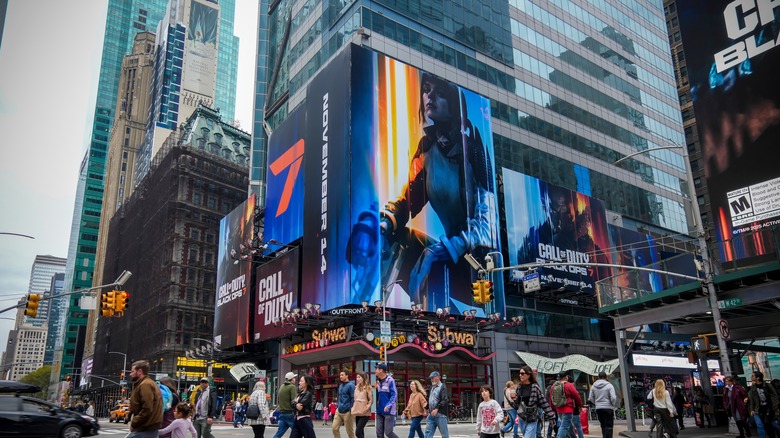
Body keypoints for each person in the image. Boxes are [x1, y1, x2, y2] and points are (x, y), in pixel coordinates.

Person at [377, 72, 495, 310]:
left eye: (439, 93)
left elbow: (487, 227)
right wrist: (386, 221)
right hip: (446, 253)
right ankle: (380, 312)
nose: (429, 96)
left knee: (431, 257)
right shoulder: (427, 148)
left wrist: (443, 249)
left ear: (454, 106)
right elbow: (410, 199)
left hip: (479, 265)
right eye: (427, 89)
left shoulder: (473, 151)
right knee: (397, 238)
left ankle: (441, 319)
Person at [514, 366, 555, 438]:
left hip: (532, 417)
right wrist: (514, 400)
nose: (520, 375)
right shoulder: (519, 387)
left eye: (522, 373)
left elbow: (543, 402)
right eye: (520, 373)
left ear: (529, 375)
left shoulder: (534, 387)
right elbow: (517, 404)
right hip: (522, 417)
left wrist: (551, 417)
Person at [127, 359, 163, 438]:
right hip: (146, 427)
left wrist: (135, 421)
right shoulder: (145, 383)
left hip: (146, 427)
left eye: (132, 371)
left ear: (139, 371)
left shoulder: (145, 385)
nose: (130, 374)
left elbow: (147, 407)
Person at [548, 372, 582, 438]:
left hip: (559, 409)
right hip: (568, 409)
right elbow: (577, 396)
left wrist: (552, 409)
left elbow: (551, 398)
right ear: (566, 377)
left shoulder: (554, 386)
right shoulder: (569, 385)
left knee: (568, 426)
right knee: (564, 426)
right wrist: (580, 405)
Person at [749, 371, 779, 438]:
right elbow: (751, 399)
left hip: (769, 408)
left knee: (770, 423)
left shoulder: (767, 385)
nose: (751, 377)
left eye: (753, 376)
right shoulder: (753, 387)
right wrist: (752, 409)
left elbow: (774, 396)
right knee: (765, 424)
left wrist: (774, 406)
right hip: (759, 408)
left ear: (758, 378)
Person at [588, 371, 616, 438]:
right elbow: (613, 397)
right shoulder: (609, 385)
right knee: (608, 426)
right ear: (606, 377)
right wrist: (612, 404)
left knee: (603, 425)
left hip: (598, 408)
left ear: (598, 377)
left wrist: (596, 403)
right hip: (608, 408)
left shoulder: (593, 386)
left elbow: (590, 398)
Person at [375, 363, 399, 438]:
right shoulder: (378, 382)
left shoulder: (390, 381)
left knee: (388, 433)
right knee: (379, 433)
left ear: (381, 370)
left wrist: (388, 405)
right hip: (379, 411)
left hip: (389, 411)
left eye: (376, 369)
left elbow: (394, 394)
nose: (375, 371)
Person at [274, 372, 298, 438]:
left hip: (282, 413)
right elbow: (294, 400)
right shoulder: (292, 387)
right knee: (297, 431)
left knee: (279, 433)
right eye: (294, 378)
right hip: (290, 412)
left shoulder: (282, 386)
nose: (295, 379)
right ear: (292, 379)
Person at [425, 371, 449, 438]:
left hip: (440, 414)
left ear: (439, 377)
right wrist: (426, 408)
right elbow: (430, 399)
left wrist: (436, 408)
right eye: (431, 378)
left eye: (433, 377)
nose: (432, 379)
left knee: (444, 434)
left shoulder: (442, 387)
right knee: (428, 433)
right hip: (431, 414)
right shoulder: (432, 387)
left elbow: (445, 400)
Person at [333, 370, 356, 438]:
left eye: (342, 375)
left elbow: (353, 398)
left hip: (348, 412)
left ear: (347, 375)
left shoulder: (351, 385)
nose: (341, 376)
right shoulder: (340, 385)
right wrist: (338, 405)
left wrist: (351, 408)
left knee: (350, 432)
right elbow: (339, 396)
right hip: (339, 410)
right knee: (334, 428)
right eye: (340, 375)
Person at [352, 372, 373, 438]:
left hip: (364, 413)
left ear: (363, 378)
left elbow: (371, 400)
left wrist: (366, 408)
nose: (357, 379)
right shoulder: (356, 388)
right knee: (361, 433)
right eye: (357, 377)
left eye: (359, 377)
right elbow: (355, 399)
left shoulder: (368, 387)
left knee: (357, 433)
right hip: (357, 412)